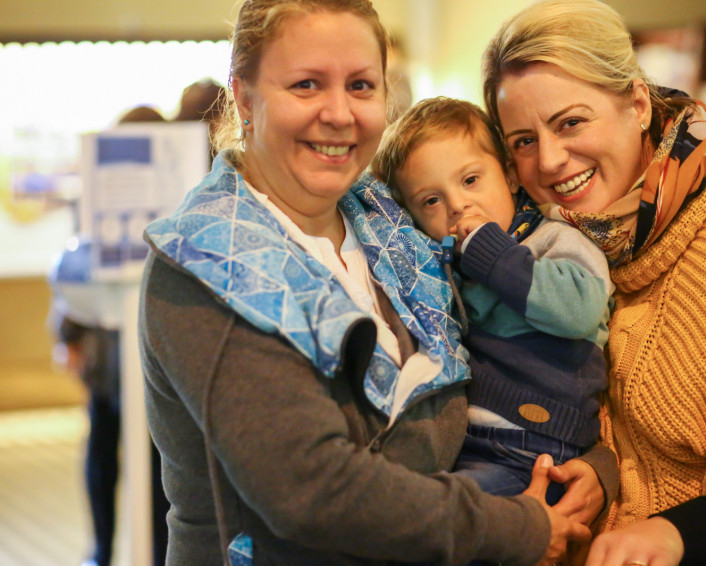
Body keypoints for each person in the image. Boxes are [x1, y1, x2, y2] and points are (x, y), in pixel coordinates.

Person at [139, 1, 602, 565]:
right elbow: (310, 489)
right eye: (306, 84)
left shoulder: (388, 217)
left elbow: (529, 361)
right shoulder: (209, 259)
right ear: (245, 97)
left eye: (360, 86)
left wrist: (591, 467)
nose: (339, 114)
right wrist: (513, 527)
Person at [481, 1, 706, 564]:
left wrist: (676, 534)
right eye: (523, 141)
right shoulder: (550, 250)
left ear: (636, 104)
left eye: (571, 122)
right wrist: (600, 474)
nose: (550, 161)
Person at [371, 97, 616, 509]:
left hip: (537, 446)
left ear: (510, 176)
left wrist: (494, 253)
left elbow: (580, 312)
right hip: (471, 444)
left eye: (470, 180)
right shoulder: (445, 268)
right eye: (431, 201)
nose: (457, 205)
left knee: (440, 513)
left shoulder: (553, 239)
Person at [49, 104, 169, 566]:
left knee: (111, 453)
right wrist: (68, 336)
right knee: (129, 455)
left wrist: (68, 337)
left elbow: (74, 270)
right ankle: (116, 551)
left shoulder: (106, 190)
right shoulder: (106, 195)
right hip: (121, 347)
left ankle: (109, 551)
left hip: (118, 349)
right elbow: (76, 270)